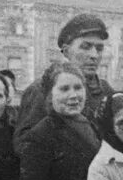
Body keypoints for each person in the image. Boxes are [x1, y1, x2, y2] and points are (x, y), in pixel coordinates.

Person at [15, 14, 115, 154]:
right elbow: (24, 145)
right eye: (85, 47)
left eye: (99, 49)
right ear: (67, 51)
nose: (94, 55)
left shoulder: (106, 91)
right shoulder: (42, 89)